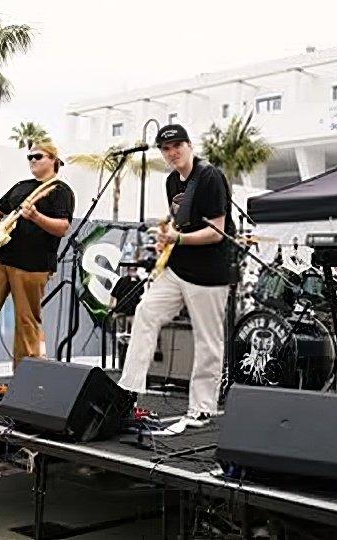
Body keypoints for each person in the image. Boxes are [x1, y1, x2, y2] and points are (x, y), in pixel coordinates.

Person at [117, 124, 234, 429]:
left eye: (177, 146)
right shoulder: (171, 180)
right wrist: (167, 232)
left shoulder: (210, 176)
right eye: (166, 149)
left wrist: (177, 240)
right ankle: (128, 393)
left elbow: (216, 232)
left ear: (189, 145)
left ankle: (203, 407)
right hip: (177, 268)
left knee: (208, 341)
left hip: (210, 273)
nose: (172, 153)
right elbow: (179, 220)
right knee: (145, 312)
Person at [0, 142, 75, 369]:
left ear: (53, 159)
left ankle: (25, 376)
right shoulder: (21, 186)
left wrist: (37, 217)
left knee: (26, 320)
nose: (32, 160)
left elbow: (63, 227)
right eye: (29, 157)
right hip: (0, 258)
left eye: (37, 156)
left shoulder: (60, 191)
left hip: (33, 265)